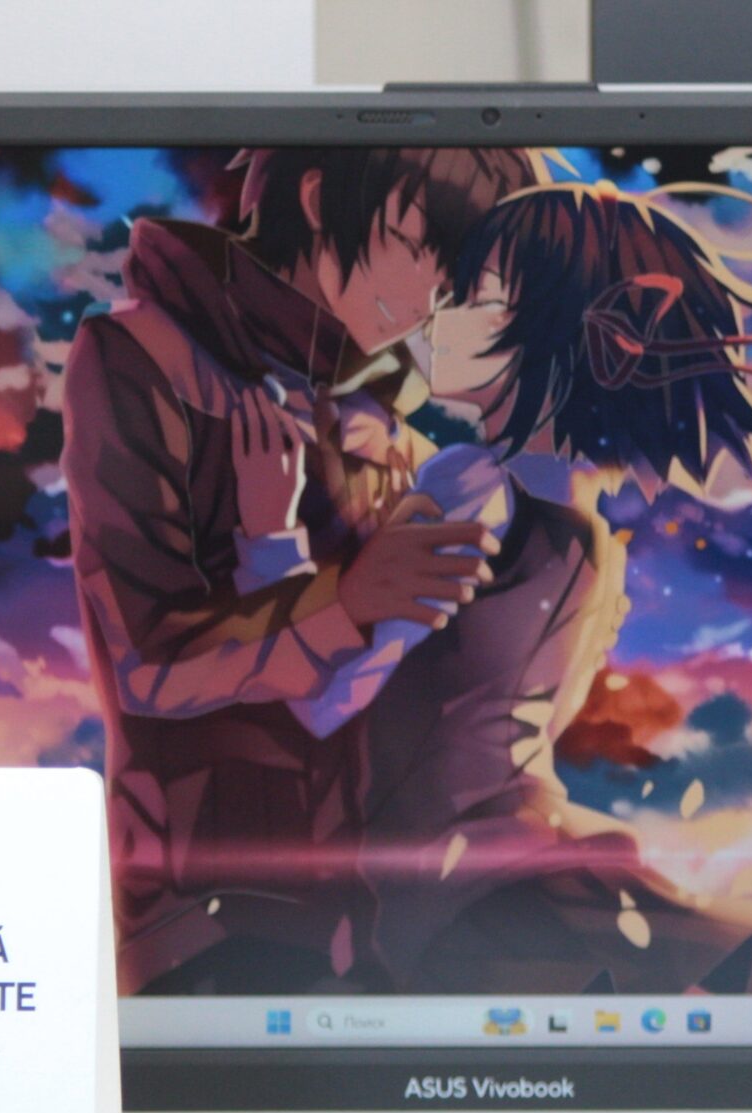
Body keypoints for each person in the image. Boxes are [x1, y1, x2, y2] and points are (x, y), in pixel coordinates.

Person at [231, 178, 752, 994]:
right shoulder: (590, 538)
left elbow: (324, 698)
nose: (442, 311)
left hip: (454, 891)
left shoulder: (469, 486)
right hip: (515, 865)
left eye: (480, 299)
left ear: (571, 342)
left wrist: (268, 532)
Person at [59, 147, 543, 994]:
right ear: (319, 199)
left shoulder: (393, 430)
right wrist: (345, 605)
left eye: (462, 274)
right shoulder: (145, 361)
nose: (436, 296)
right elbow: (149, 661)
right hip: (204, 913)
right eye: (423, 248)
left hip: (373, 922)